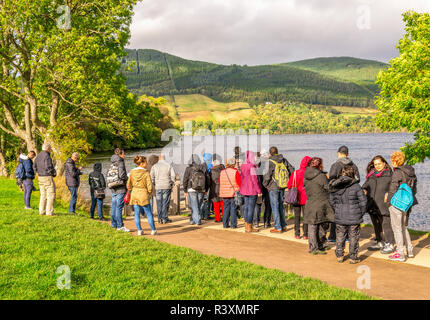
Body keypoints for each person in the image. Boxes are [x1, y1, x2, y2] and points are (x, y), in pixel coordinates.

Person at [329, 166, 367, 264]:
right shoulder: (356, 186)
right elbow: (363, 202)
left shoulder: (335, 185)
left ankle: (340, 255)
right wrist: (360, 213)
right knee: (353, 236)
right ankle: (353, 257)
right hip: (354, 216)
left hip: (340, 214)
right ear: (352, 174)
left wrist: (337, 209)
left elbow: (331, 201)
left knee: (340, 235)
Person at [387, 151, 418, 262]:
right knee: (404, 227)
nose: (391, 162)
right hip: (407, 203)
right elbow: (414, 189)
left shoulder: (398, 172)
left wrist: (389, 202)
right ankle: (409, 250)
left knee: (396, 228)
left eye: (392, 160)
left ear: (395, 160)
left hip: (396, 203)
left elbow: (393, 189)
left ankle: (400, 253)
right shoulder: (411, 172)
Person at [362, 155, 395, 254]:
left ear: (384, 163)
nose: (377, 166)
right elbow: (366, 185)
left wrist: (388, 194)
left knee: (386, 224)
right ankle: (380, 241)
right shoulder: (371, 175)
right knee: (376, 224)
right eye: (375, 164)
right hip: (372, 204)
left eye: (379, 164)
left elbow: (393, 188)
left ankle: (390, 243)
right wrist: (363, 189)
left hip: (384, 205)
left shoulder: (390, 175)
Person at [327, 145, 360, 242]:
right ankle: (348, 236)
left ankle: (333, 236)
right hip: (351, 194)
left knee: (337, 215)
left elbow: (331, 180)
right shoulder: (353, 165)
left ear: (338, 153)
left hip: (338, 193)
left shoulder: (335, 165)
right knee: (349, 214)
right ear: (348, 154)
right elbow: (358, 179)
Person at [303, 157, 334, 255]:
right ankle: (317, 246)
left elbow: (305, 186)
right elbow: (328, 188)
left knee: (313, 226)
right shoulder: (321, 176)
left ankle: (315, 246)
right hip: (321, 203)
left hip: (310, 202)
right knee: (321, 225)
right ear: (320, 165)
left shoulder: (306, 176)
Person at [262, 146, 295, 233]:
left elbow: (267, 176)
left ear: (270, 153)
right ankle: (283, 225)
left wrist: (265, 185)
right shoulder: (283, 159)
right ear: (277, 152)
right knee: (280, 206)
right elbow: (292, 169)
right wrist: (289, 182)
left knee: (275, 207)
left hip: (273, 187)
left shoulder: (269, 162)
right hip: (282, 186)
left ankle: (278, 227)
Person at [127, 156, 157, 236]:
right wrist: (149, 193)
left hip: (135, 193)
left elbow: (128, 185)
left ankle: (139, 230)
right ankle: (153, 230)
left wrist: (131, 189)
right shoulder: (146, 173)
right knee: (149, 213)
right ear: (142, 163)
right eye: (146, 162)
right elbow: (149, 186)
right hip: (143, 193)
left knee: (137, 213)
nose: (147, 163)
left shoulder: (132, 172)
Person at [287, 156, 311, 239]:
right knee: (306, 216)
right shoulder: (310, 173)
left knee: (297, 216)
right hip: (306, 197)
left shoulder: (295, 173)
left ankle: (297, 233)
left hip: (296, 197)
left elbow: (289, 185)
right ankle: (305, 234)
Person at [107, 148, 130, 232]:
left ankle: (113, 224)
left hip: (113, 186)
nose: (124, 155)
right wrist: (127, 178)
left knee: (114, 206)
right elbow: (121, 175)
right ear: (120, 154)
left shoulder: (112, 162)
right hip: (120, 186)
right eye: (123, 154)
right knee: (119, 207)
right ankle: (120, 226)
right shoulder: (120, 162)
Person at [240, 151, 262, 233]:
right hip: (252, 190)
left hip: (245, 189)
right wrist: (259, 190)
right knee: (251, 208)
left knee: (246, 207)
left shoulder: (243, 166)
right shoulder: (252, 166)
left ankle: (246, 225)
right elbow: (255, 180)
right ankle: (249, 226)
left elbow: (241, 178)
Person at [150, 154, 176, 224]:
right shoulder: (169, 165)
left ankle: (159, 218)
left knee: (159, 202)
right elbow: (173, 176)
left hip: (158, 186)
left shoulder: (154, 166)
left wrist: (154, 183)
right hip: (166, 186)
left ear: (159, 158)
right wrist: (171, 183)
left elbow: (151, 177)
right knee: (165, 202)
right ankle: (164, 218)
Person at [183, 154, 208, 225]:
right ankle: (192, 220)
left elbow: (185, 180)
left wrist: (185, 190)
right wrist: (206, 189)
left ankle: (197, 220)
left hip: (191, 189)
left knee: (194, 206)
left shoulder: (188, 168)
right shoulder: (203, 167)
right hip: (202, 189)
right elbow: (207, 179)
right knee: (197, 206)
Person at [33, 143, 57, 216]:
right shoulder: (47, 156)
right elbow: (48, 167)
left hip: (40, 177)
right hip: (47, 177)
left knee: (43, 195)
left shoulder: (38, 156)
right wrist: (53, 173)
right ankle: (49, 212)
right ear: (47, 148)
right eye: (50, 148)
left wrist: (39, 172)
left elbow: (34, 166)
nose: (50, 150)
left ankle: (41, 211)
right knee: (51, 194)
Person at [219, 158, 241, 229]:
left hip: (224, 193)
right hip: (233, 192)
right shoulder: (235, 171)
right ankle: (233, 225)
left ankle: (225, 224)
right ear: (233, 164)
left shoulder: (222, 172)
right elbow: (239, 182)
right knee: (233, 208)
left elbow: (219, 181)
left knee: (226, 208)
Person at [254, 150, 272, 228]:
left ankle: (256, 222)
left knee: (257, 204)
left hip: (259, 186)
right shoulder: (269, 163)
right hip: (267, 186)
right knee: (268, 204)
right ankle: (266, 222)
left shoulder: (256, 164)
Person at [209, 158, 225, 223]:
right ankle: (225, 217)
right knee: (223, 204)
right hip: (222, 188)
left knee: (216, 205)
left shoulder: (211, 171)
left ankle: (218, 218)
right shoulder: (223, 170)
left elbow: (209, 181)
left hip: (214, 188)